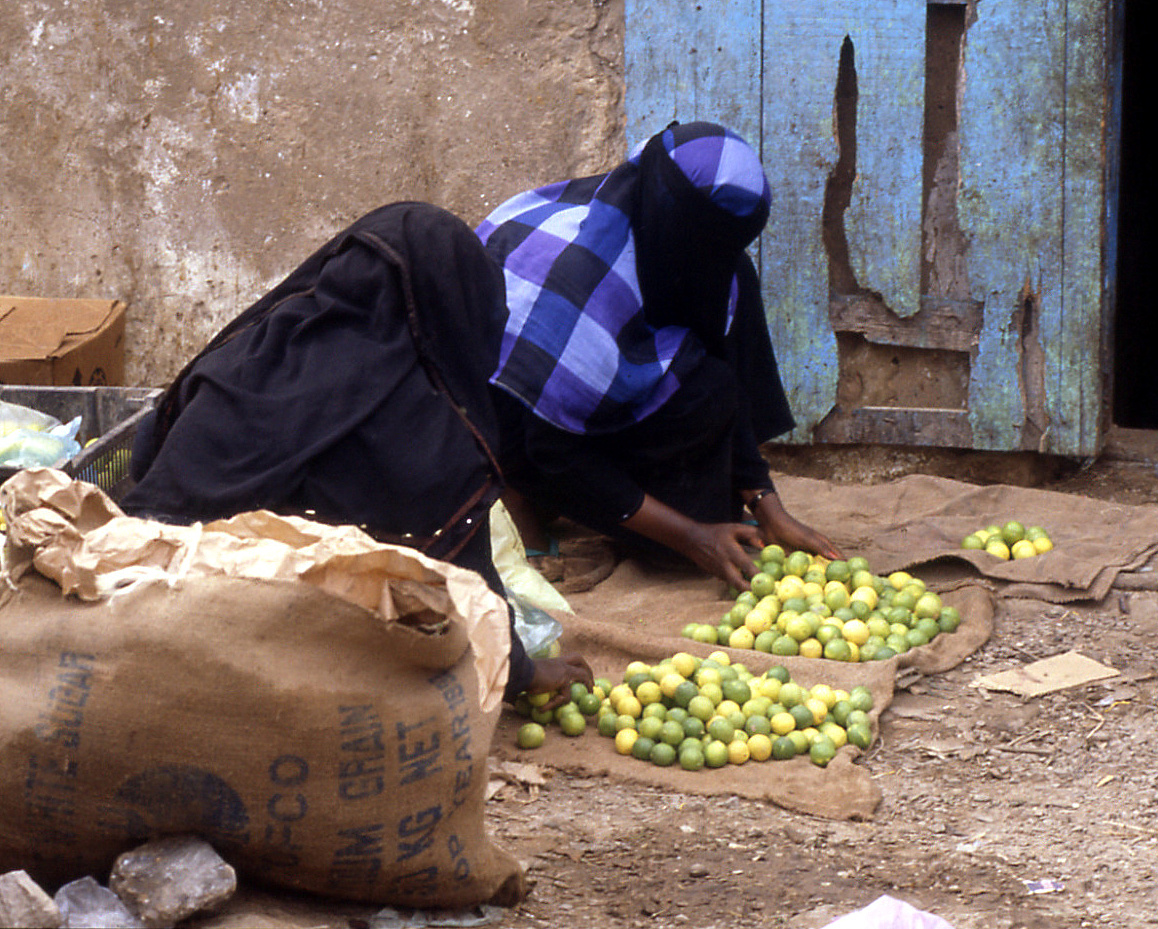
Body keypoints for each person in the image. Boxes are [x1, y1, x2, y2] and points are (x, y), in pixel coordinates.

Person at [122, 201, 592, 707]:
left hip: (140, 598)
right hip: (270, 651)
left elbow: (149, 458)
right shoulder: (427, 433)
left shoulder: (243, 356)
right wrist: (525, 672)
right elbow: (466, 583)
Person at [477, 121, 838, 591]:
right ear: (676, 219)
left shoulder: (694, 252)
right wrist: (690, 536)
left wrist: (767, 505)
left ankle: (612, 504)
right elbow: (554, 448)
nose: (720, 258)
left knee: (712, 388)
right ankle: (518, 493)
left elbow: (728, 372)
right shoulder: (579, 281)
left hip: (589, 403)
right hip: (517, 423)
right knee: (681, 547)